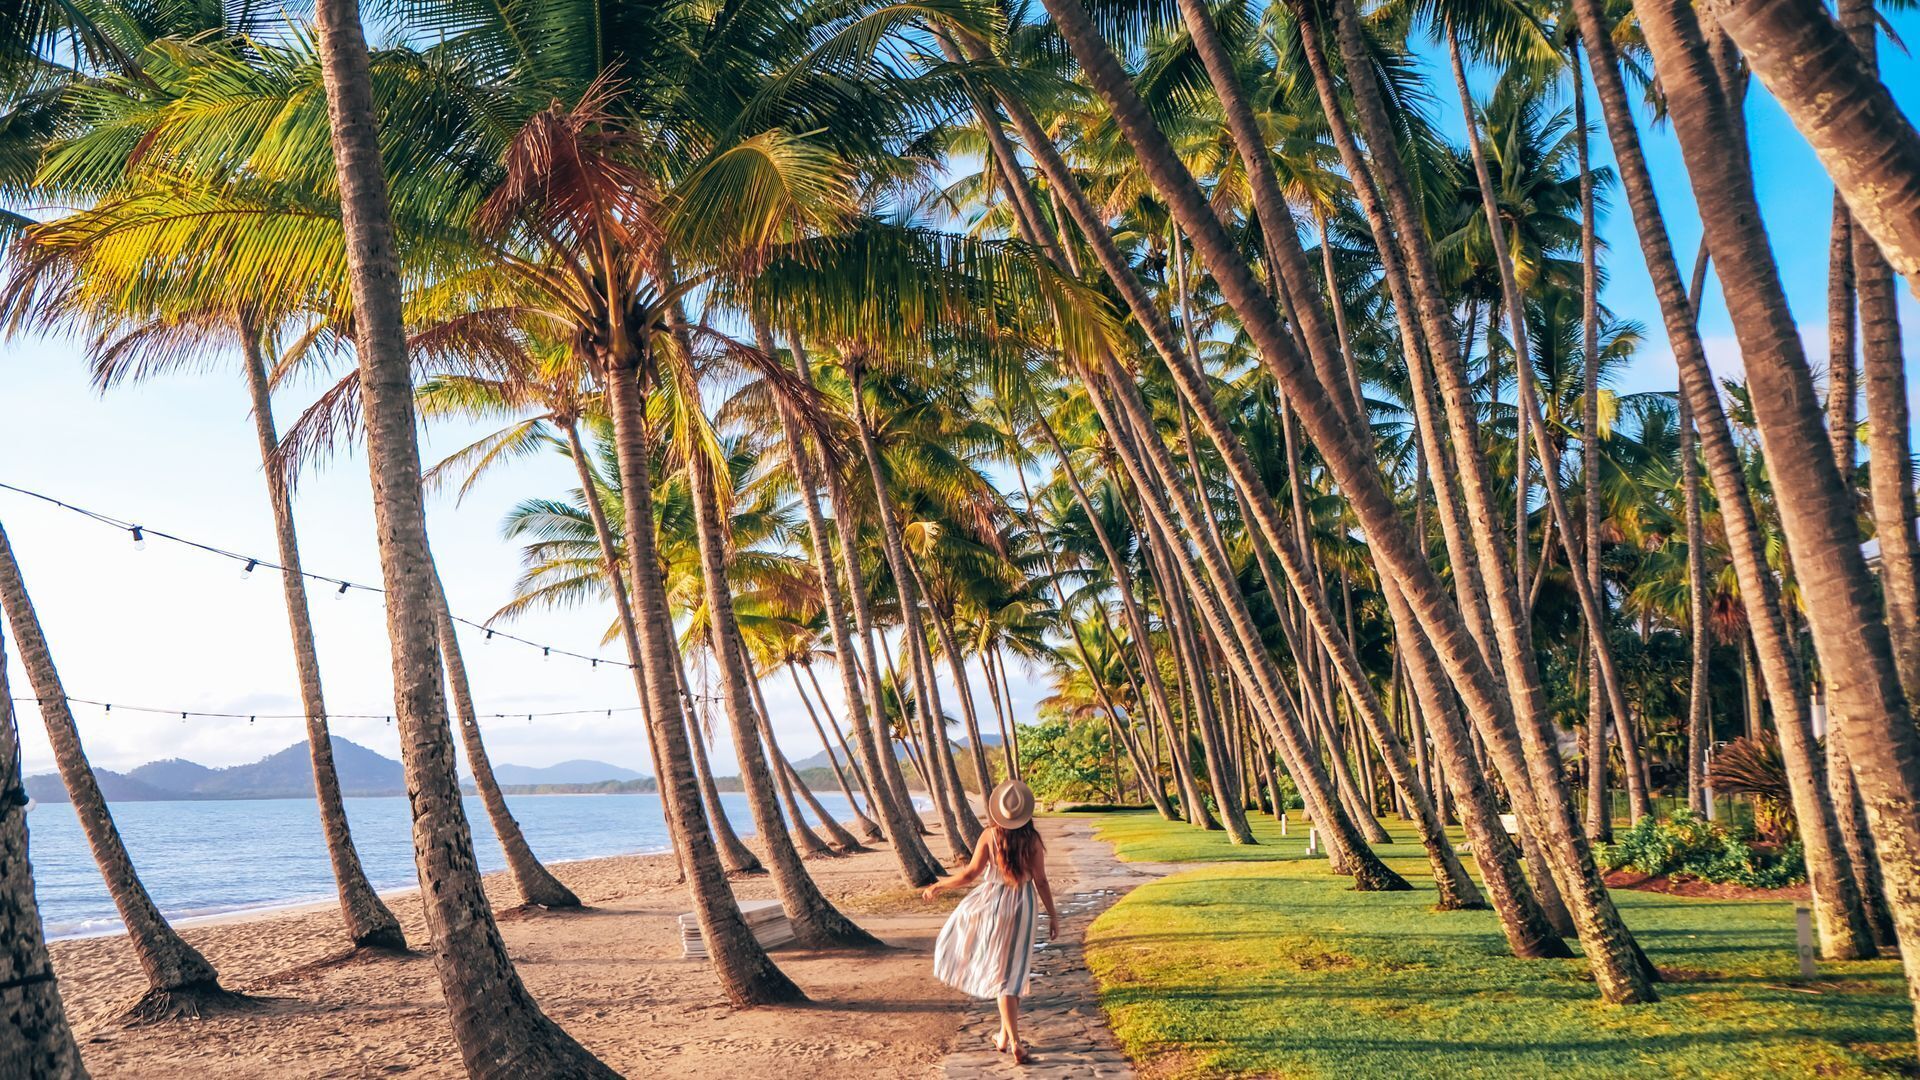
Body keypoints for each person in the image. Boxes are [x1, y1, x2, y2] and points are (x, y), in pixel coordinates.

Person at [922, 779, 1059, 1064]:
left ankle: (1009, 1039)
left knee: (1005, 976)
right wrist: (1053, 915)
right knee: (1013, 973)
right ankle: (1010, 1040)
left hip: (993, 904)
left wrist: (940, 885)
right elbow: (1041, 881)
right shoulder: (1032, 840)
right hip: (1024, 906)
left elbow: (970, 875)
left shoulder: (990, 836)